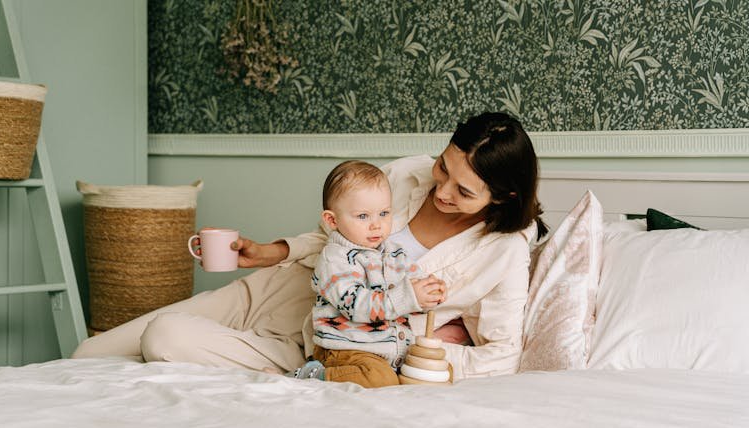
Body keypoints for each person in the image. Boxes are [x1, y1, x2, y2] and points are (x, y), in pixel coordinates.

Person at [72, 111, 548, 381]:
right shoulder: (408, 173)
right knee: (87, 358)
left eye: (464, 192)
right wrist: (269, 252)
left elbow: (502, 352)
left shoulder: (502, 252)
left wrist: (422, 352)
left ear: (503, 196)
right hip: (283, 290)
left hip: (324, 348)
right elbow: (332, 236)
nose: (443, 190)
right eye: (445, 168)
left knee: (164, 338)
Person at [286, 160, 445, 387]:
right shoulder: (335, 259)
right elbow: (357, 306)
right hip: (345, 349)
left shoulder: (393, 253)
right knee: (379, 379)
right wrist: (409, 296)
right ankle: (311, 376)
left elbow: (413, 287)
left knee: (437, 372)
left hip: (391, 351)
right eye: (363, 216)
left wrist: (429, 293)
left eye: (384, 213)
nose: (376, 225)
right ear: (332, 220)